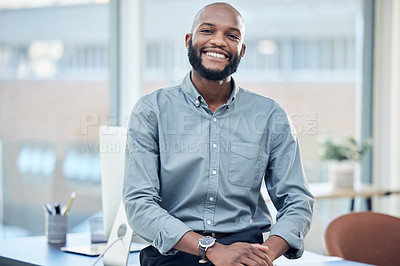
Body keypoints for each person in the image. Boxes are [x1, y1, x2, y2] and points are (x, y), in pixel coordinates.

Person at [123, 2, 315, 265]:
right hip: (175, 254)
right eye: (207, 31)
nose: (218, 41)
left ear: (242, 50)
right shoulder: (151, 111)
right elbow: (139, 204)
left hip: (248, 253)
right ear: (189, 40)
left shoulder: (270, 115)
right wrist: (211, 249)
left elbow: (297, 200)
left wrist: (264, 255)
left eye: (232, 35)